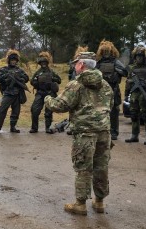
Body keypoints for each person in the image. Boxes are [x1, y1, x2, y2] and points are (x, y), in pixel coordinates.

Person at [45, 51, 113, 215]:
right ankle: (99, 202)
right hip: (104, 132)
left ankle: (80, 204)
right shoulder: (105, 84)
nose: (75, 66)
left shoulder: (76, 85)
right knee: (101, 167)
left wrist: (47, 99)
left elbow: (60, 105)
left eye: (76, 63)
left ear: (81, 65)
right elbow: (110, 104)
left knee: (83, 167)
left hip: (85, 134)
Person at [124, 46, 146, 145]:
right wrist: (126, 94)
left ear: (145, 57)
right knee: (134, 115)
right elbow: (127, 82)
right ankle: (134, 135)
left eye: (141, 56)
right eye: (137, 56)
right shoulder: (132, 68)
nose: (139, 58)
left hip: (145, 95)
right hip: (134, 95)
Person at [95, 40, 128, 140]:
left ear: (111, 51)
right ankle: (101, 130)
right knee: (100, 111)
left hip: (113, 90)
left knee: (114, 112)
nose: (106, 54)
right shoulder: (99, 63)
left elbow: (125, 72)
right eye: (104, 52)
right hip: (101, 91)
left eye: (107, 51)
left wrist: (117, 72)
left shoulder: (116, 62)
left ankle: (114, 132)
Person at [0, 49, 30, 134]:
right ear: (9, 60)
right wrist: (7, 76)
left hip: (17, 93)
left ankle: (13, 127)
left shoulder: (19, 70)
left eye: (15, 60)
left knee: (16, 112)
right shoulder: (4, 69)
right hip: (8, 93)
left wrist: (20, 79)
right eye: (12, 60)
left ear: (17, 61)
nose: (13, 62)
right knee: (2, 110)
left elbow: (26, 78)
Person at [29, 51, 62, 134]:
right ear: (40, 63)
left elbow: (59, 80)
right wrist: (37, 82)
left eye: (45, 62)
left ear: (47, 62)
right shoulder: (38, 72)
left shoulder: (52, 72)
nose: (43, 64)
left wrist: (52, 79)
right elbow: (32, 81)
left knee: (48, 111)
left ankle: (48, 127)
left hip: (50, 93)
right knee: (34, 110)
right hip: (40, 93)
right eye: (42, 62)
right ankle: (34, 128)